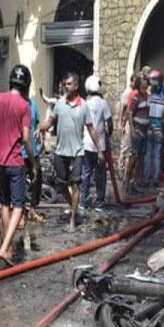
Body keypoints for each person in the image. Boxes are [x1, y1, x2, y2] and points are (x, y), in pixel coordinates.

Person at [39, 72, 104, 232]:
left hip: (77, 152)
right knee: (61, 185)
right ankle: (73, 206)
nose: (65, 87)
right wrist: (40, 127)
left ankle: (73, 219)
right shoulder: (59, 104)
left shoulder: (84, 106)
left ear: (76, 86)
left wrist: (99, 149)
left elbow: (91, 129)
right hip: (60, 151)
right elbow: (50, 121)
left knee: (76, 185)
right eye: (64, 84)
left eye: (68, 84)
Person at [0, 64, 37, 265]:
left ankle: (6, 248)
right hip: (16, 162)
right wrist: (33, 164)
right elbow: (25, 138)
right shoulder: (25, 106)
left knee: (4, 204)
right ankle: (6, 247)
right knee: (18, 205)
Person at [80, 75, 113, 211]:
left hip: (87, 145)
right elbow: (109, 121)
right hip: (100, 146)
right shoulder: (103, 103)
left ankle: (84, 202)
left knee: (86, 173)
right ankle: (99, 203)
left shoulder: (85, 103)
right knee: (100, 175)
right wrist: (108, 134)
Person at [143, 70, 164, 187]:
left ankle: (145, 179)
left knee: (147, 155)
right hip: (159, 130)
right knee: (157, 155)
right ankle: (155, 180)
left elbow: (146, 115)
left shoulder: (148, 100)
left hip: (149, 129)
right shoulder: (163, 102)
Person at [21, 96, 45, 226]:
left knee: (36, 180)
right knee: (20, 184)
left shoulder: (33, 104)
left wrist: (40, 135)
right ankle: (20, 214)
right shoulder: (14, 105)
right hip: (19, 152)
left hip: (33, 150)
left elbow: (36, 123)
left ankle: (33, 209)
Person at [123, 76, 149, 193]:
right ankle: (127, 183)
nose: (145, 85)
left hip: (144, 130)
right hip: (137, 130)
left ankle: (135, 183)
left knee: (140, 159)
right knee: (133, 157)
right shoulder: (135, 96)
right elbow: (130, 112)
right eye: (143, 83)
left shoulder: (146, 96)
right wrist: (132, 130)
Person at [118, 73, 137, 176]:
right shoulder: (127, 93)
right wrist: (120, 123)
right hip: (127, 123)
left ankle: (126, 172)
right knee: (125, 148)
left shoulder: (135, 92)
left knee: (130, 150)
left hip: (132, 123)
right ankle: (121, 169)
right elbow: (122, 109)